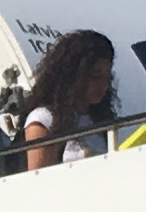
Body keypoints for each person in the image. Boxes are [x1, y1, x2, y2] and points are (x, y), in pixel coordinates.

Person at [20, 29, 116, 169]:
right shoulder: (45, 119)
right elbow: (38, 176)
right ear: (73, 74)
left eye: (108, 77)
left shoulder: (99, 121)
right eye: (95, 76)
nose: (104, 85)